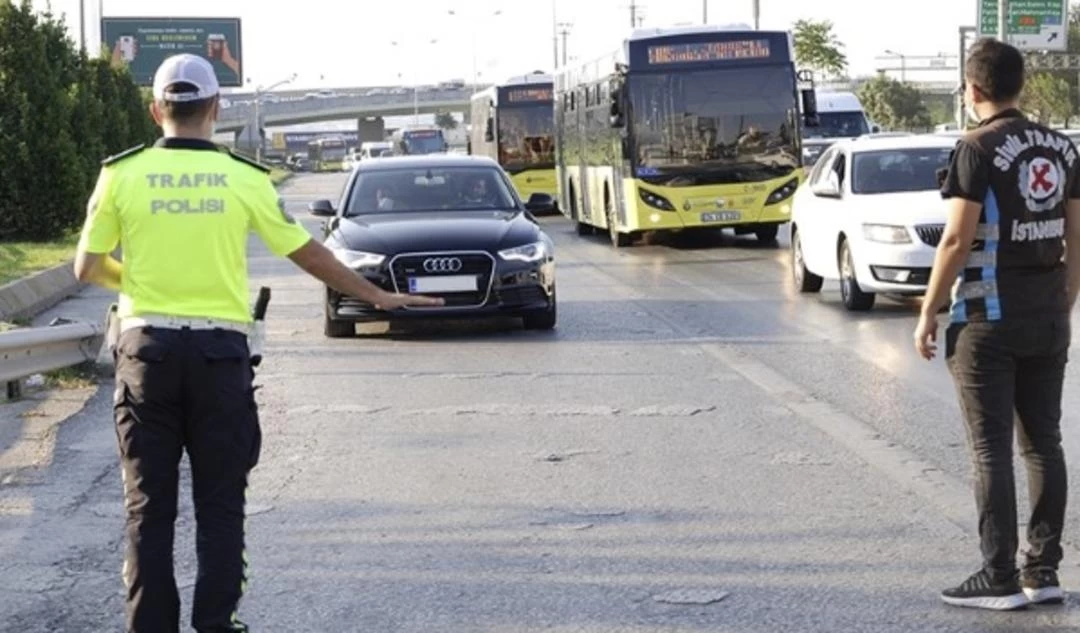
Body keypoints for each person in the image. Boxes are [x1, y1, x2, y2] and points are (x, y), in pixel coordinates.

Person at [73, 53, 442, 632]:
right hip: (220, 358)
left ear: (155, 111)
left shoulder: (121, 174)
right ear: (217, 108)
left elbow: (87, 267)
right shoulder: (243, 177)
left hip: (147, 356)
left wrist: (141, 284)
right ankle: (217, 624)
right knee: (221, 506)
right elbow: (306, 252)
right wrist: (377, 295)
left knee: (148, 509)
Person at [914, 37, 1079, 611]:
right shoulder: (1061, 147)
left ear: (973, 88)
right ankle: (1044, 570)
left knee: (991, 452)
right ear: (1021, 85)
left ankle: (999, 576)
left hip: (988, 319)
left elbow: (956, 240)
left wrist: (929, 310)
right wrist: (1064, 302)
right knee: (1044, 445)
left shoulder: (975, 147)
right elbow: (1077, 235)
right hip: (1048, 316)